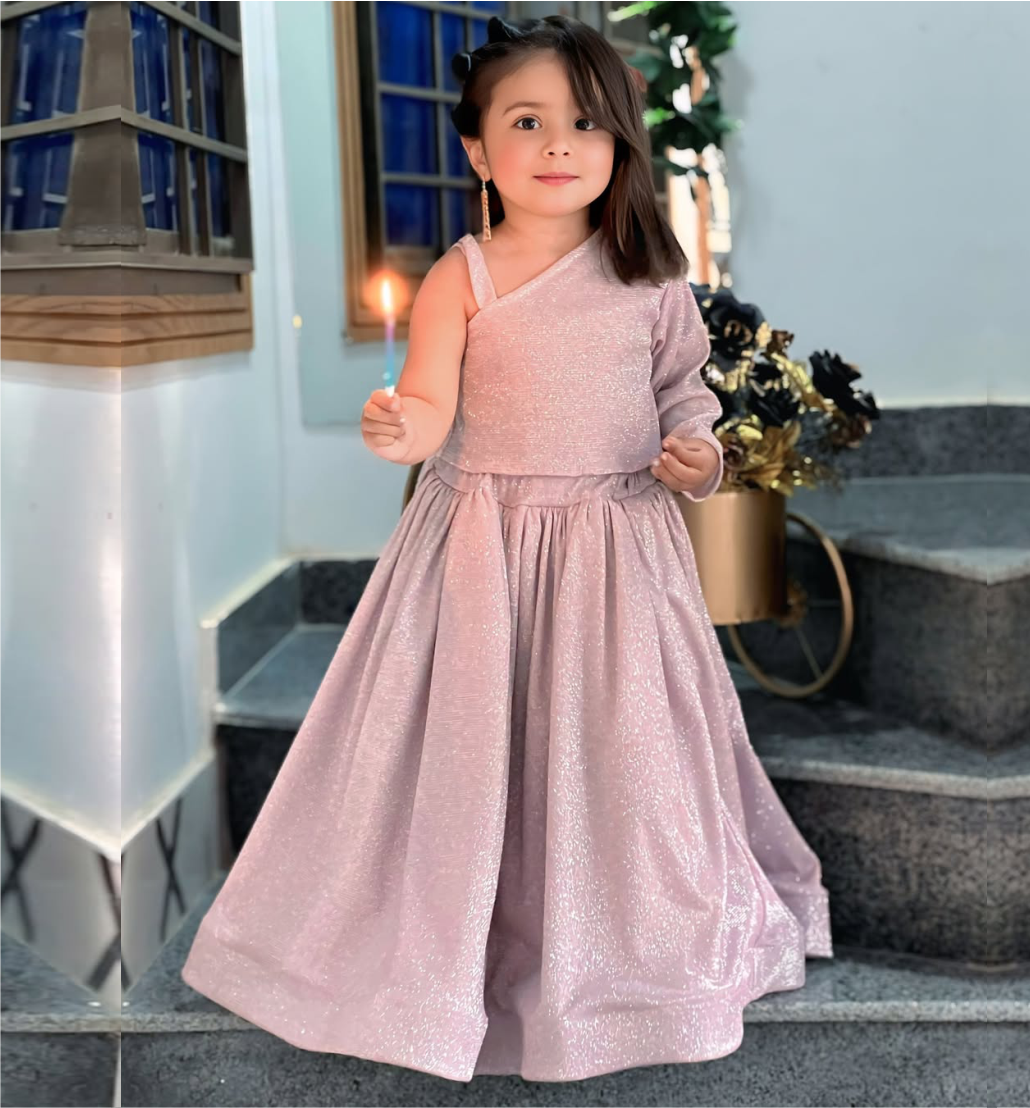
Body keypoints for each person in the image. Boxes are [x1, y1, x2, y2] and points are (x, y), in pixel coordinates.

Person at [181, 12, 832, 1085]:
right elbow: (432, 406)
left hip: (614, 554)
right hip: (482, 550)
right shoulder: (464, 276)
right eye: (526, 122)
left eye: (585, 122)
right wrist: (404, 428)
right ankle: (454, 944)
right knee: (477, 744)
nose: (558, 143)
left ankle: (623, 946)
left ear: (620, 143)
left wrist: (698, 458)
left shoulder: (651, 280)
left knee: (619, 747)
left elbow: (685, 398)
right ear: (478, 151)